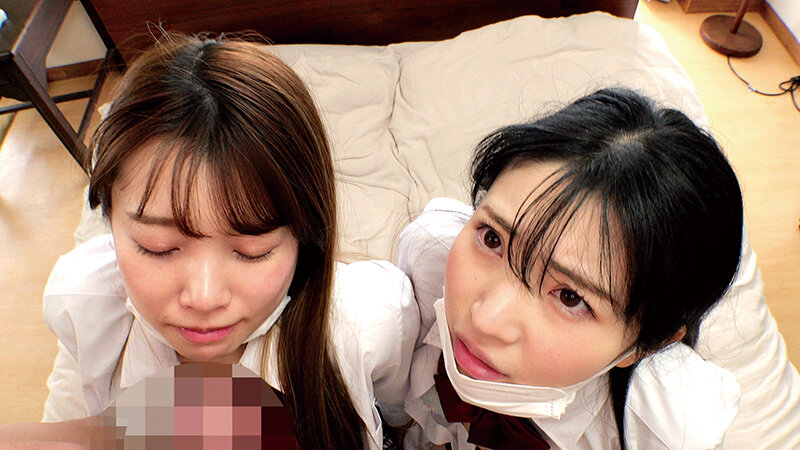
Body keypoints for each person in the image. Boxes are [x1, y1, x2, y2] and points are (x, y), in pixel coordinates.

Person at [19, 33, 418, 449]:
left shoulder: (373, 318)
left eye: (251, 251)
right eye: (158, 247)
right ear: (110, 221)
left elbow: (403, 420)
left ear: (306, 235)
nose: (204, 298)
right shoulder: (83, 304)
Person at [398, 88, 745, 449]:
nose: (485, 320)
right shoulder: (429, 259)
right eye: (492, 239)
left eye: (569, 297)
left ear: (646, 345)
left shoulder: (672, 429)